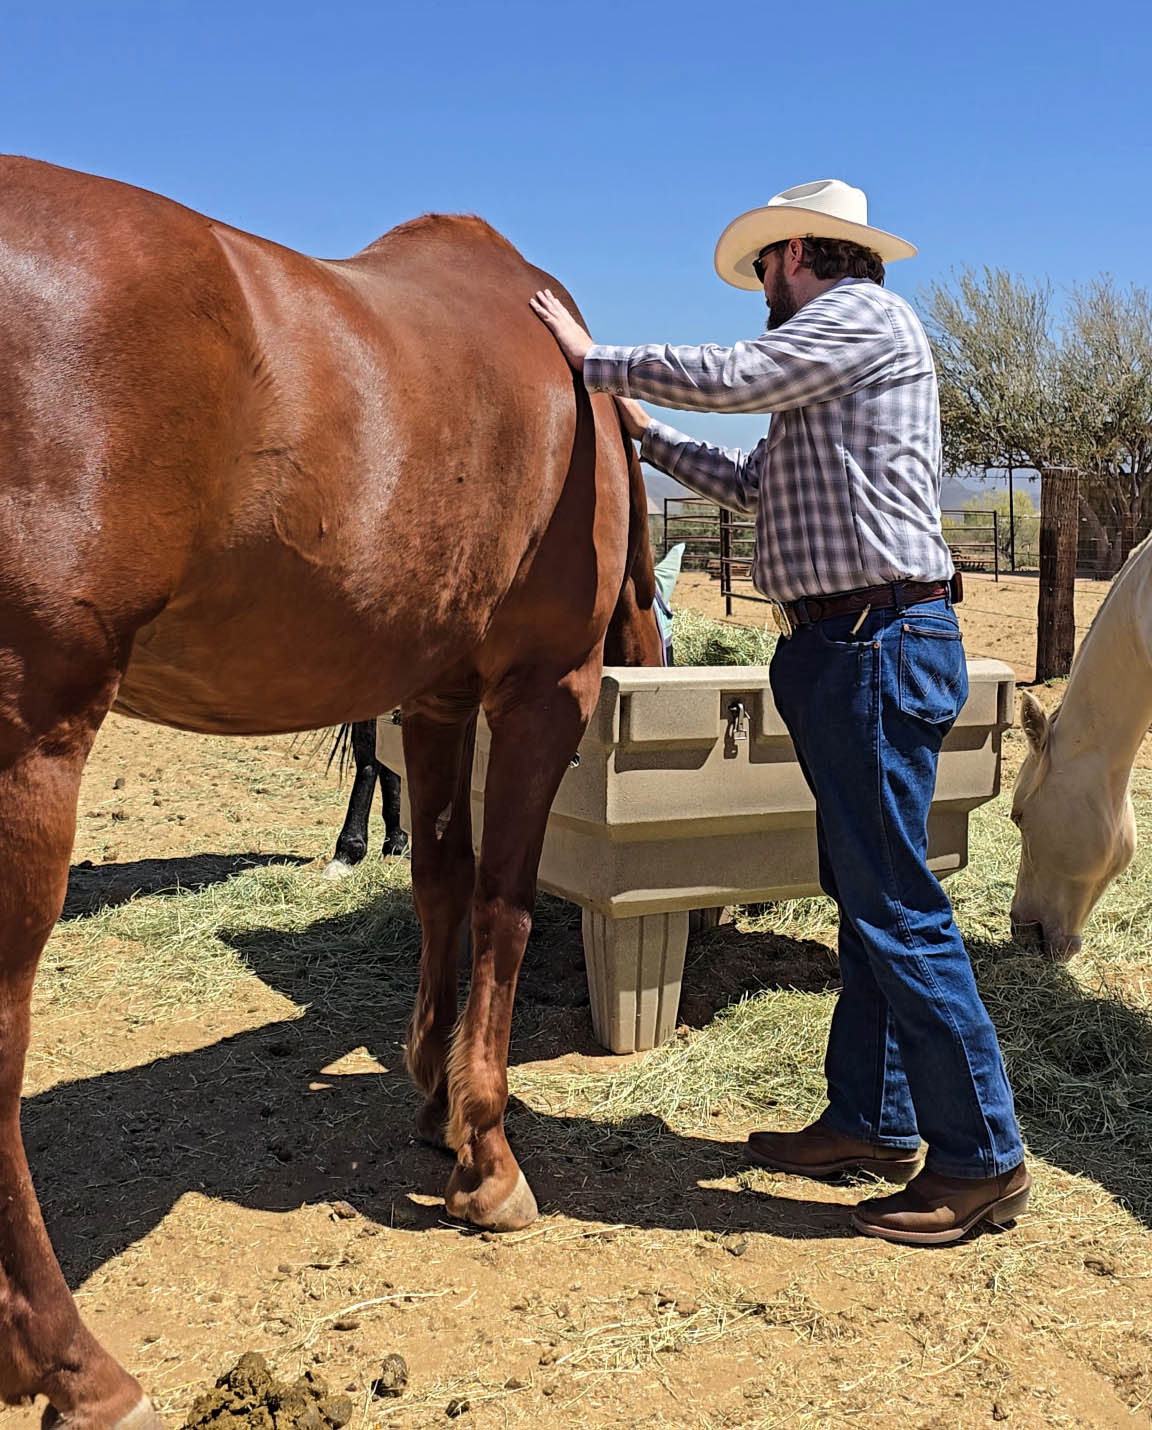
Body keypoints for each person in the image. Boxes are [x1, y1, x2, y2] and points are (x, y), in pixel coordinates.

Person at [531, 179, 1029, 1246]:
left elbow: (738, 373)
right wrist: (643, 431)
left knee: (895, 904)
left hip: (873, 644)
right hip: (845, 644)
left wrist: (593, 358)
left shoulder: (853, 317)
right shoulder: (830, 369)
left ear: (797, 252)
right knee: (867, 896)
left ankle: (982, 1156)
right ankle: (873, 1120)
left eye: (764, 263)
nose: (759, 284)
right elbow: (753, 481)